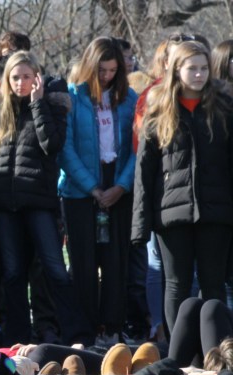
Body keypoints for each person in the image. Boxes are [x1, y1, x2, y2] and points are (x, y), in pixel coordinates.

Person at [0, 51, 91, 347]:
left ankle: (76, 334)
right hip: (6, 205)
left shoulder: (51, 107)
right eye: (15, 78)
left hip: (40, 203)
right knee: (14, 273)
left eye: (27, 77)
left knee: (55, 268)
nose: (20, 83)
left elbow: (52, 145)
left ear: (37, 78)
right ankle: (15, 336)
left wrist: (38, 103)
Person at [132, 41, 233, 334]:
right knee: (176, 283)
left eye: (204, 68)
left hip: (216, 211)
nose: (199, 75)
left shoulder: (224, 109)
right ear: (177, 70)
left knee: (213, 283)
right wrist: (140, 224)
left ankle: (213, 350)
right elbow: (145, 171)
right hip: (171, 213)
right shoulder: (158, 109)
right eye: (192, 68)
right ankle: (178, 354)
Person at [59, 37, 138, 342]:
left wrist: (121, 185)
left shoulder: (129, 99)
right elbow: (65, 149)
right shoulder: (72, 97)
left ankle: (113, 327)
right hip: (80, 189)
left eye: (112, 70)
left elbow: (136, 148)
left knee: (116, 261)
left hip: (118, 182)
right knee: (83, 263)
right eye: (101, 70)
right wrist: (92, 188)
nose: (106, 76)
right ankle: (85, 329)